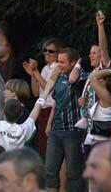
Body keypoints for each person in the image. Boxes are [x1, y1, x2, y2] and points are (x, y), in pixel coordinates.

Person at [45, 48, 87, 192]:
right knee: (50, 171)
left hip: (72, 132)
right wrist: (49, 123)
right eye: (58, 61)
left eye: (62, 62)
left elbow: (73, 79)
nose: (59, 65)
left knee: (73, 174)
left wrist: (78, 64)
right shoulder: (60, 76)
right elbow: (56, 102)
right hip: (56, 131)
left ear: (73, 63)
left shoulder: (81, 75)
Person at [23, 38, 63, 156]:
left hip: (51, 109)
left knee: (49, 146)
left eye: (51, 51)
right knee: (42, 146)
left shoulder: (58, 67)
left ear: (58, 53)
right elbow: (36, 92)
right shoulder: (45, 68)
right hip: (42, 109)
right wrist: (32, 74)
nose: (47, 53)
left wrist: (35, 72)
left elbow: (48, 88)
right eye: (45, 50)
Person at [83, 68, 111, 156]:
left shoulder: (107, 99)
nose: (98, 81)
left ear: (107, 82)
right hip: (101, 142)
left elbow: (92, 76)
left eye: (101, 79)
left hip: (98, 143)